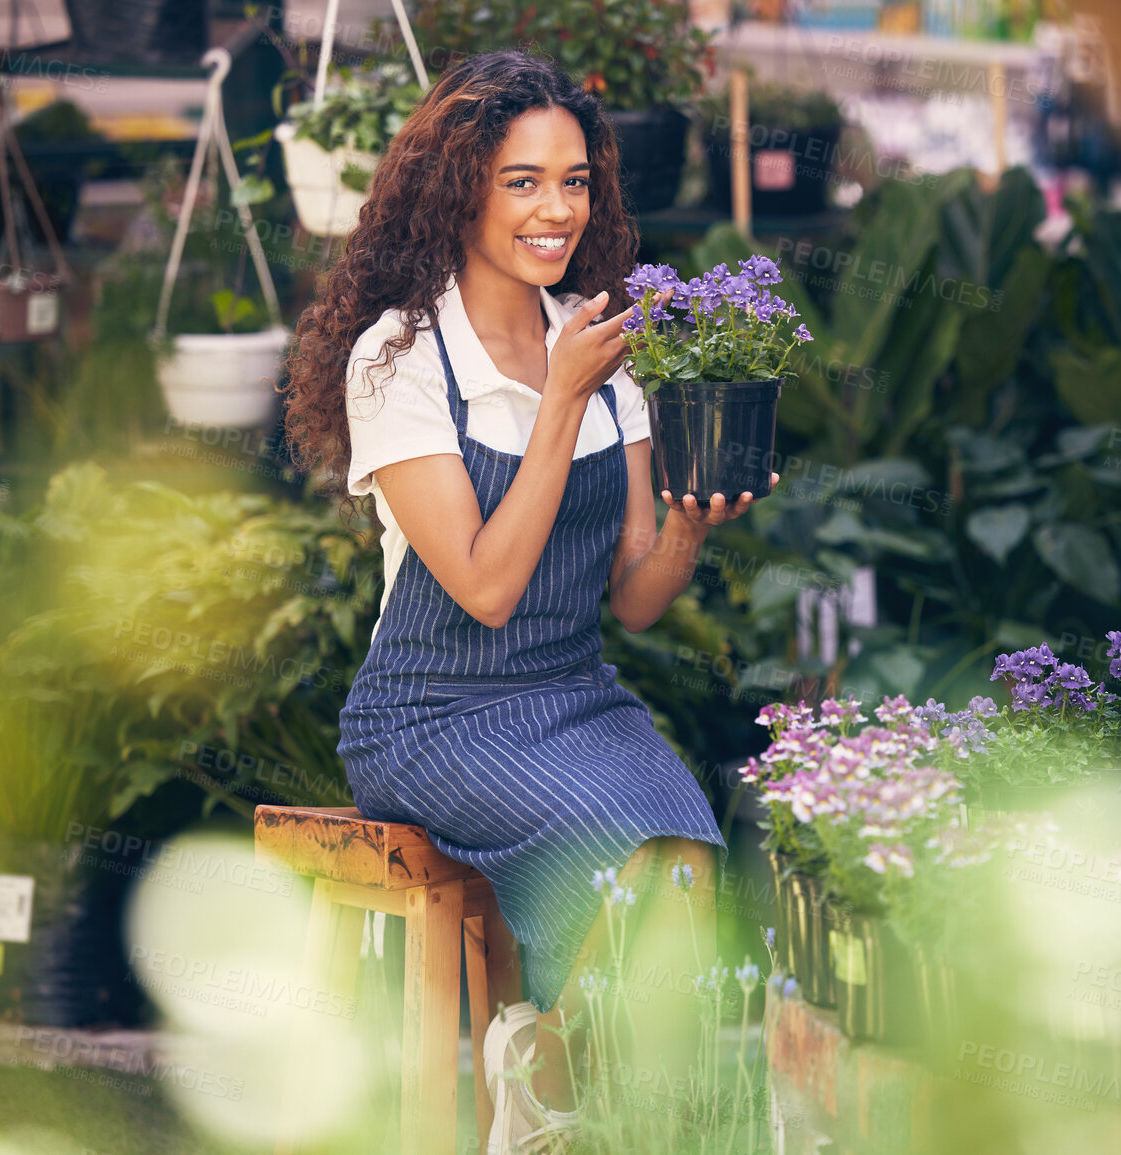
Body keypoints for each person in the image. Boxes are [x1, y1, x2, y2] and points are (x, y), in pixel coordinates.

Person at [282, 50, 775, 1152]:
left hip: (573, 699)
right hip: (435, 715)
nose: (555, 210)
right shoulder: (401, 361)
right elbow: (489, 585)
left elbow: (637, 597)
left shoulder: (609, 355)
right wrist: (561, 397)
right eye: (521, 182)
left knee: (686, 863)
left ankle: (546, 1069)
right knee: (617, 857)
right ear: (461, 190)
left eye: (574, 181)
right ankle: (568, 1103)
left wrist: (693, 522)